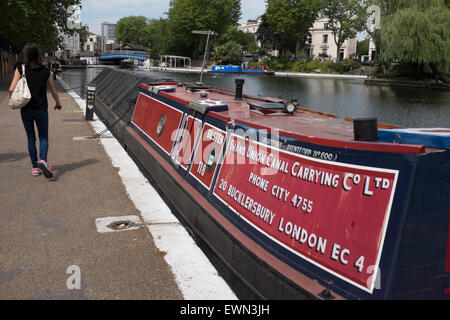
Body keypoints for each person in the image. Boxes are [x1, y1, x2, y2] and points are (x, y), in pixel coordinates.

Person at [8, 43, 62, 178]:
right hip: (42, 109)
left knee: (31, 138)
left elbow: (11, 89)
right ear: (39, 55)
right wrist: (58, 103)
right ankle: (43, 159)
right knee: (43, 137)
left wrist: (13, 101)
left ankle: (35, 168)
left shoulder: (20, 68)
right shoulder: (45, 70)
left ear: (25, 54)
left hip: (26, 109)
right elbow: (53, 91)